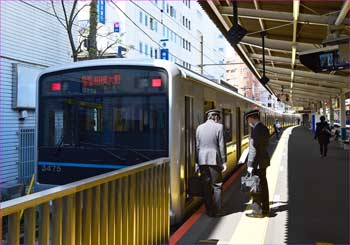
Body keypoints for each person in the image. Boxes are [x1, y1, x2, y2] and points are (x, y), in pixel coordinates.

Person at [195, 109, 226, 217]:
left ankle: (209, 210)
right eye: (219, 118)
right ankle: (218, 210)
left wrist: (197, 163)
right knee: (217, 185)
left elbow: (197, 147)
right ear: (216, 117)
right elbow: (222, 146)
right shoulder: (219, 127)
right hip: (214, 160)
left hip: (202, 160)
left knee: (206, 186)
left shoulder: (199, 128)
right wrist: (224, 161)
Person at [245, 109, 270, 218]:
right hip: (263, 161)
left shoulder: (255, 130)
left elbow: (253, 149)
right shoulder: (264, 128)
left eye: (248, 119)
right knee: (263, 185)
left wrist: (250, 164)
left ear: (252, 118)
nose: (248, 122)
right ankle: (265, 208)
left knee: (254, 186)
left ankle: (257, 211)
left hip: (257, 163)